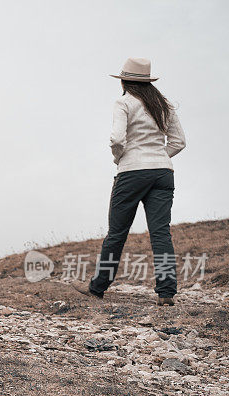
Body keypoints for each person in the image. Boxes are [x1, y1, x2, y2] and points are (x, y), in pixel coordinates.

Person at [73, 57, 186, 305]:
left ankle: (98, 287)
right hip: (163, 173)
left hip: (131, 173)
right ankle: (166, 293)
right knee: (161, 234)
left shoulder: (123, 102)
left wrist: (120, 159)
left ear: (124, 81)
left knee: (117, 234)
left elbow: (116, 139)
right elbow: (179, 142)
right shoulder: (164, 104)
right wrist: (157, 157)